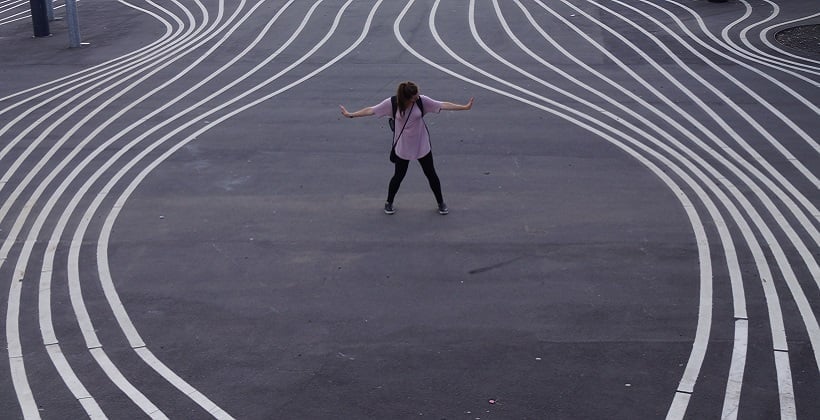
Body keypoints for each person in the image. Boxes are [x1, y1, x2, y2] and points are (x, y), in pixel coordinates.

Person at [340, 81, 474, 215]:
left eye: (417, 95)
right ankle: (389, 202)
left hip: (421, 144)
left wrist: (464, 107)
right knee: (398, 176)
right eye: (414, 97)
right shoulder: (392, 104)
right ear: (406, 98)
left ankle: (441, 203)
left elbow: (442, 104)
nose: (418, 98)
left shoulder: (422, 101)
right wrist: (350, 114)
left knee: (431, 174)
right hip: (403, 146)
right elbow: (371, 110)